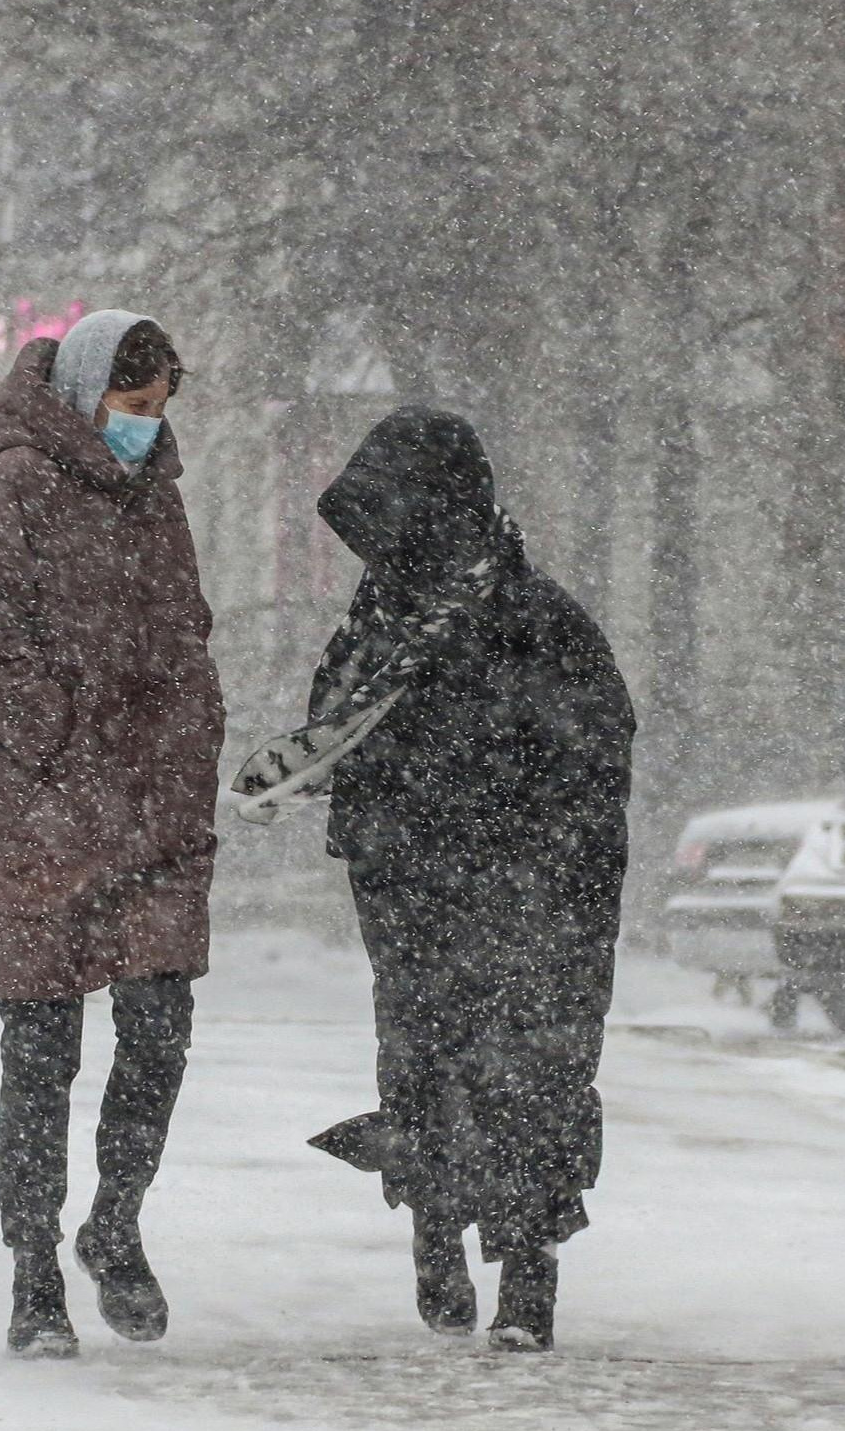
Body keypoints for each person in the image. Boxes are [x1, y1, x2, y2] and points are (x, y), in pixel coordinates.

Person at [233, 407, 635, 1352]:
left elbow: (594, 759)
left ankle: (529, 1272)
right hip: (414, 896)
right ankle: (435, 1233)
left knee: (536, 1078)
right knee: (426, 1065)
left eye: (397, 518)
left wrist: (522, 847)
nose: (382, 547)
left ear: (444, 509)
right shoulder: (376, 628)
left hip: (532, 903)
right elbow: (334, 732)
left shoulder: (539, 621)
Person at [0, 310, 223, 1358]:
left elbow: (186, 631)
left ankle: (116, 1222)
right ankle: (32, 1274)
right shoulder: (15, 487)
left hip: (149, 813)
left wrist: (187, 738)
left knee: (157, 1030)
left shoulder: (159, 502)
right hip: (40, 819)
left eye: (156, 413)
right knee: (41, 1052)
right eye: (131, 407)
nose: (144, 429)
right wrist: (61, 732)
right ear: (86, 394)